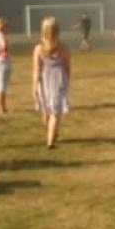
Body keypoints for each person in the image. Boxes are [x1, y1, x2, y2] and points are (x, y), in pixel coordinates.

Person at [33, 17, 71, 149]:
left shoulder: (39, 49)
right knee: (55, 112)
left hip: (44, 82)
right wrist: (66, 83)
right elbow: (67, 68)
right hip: (58, 81)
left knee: (47, 111)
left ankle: (51, 136)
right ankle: (51, 140)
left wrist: (34, 88)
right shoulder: (64, 48)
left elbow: (36, 70)